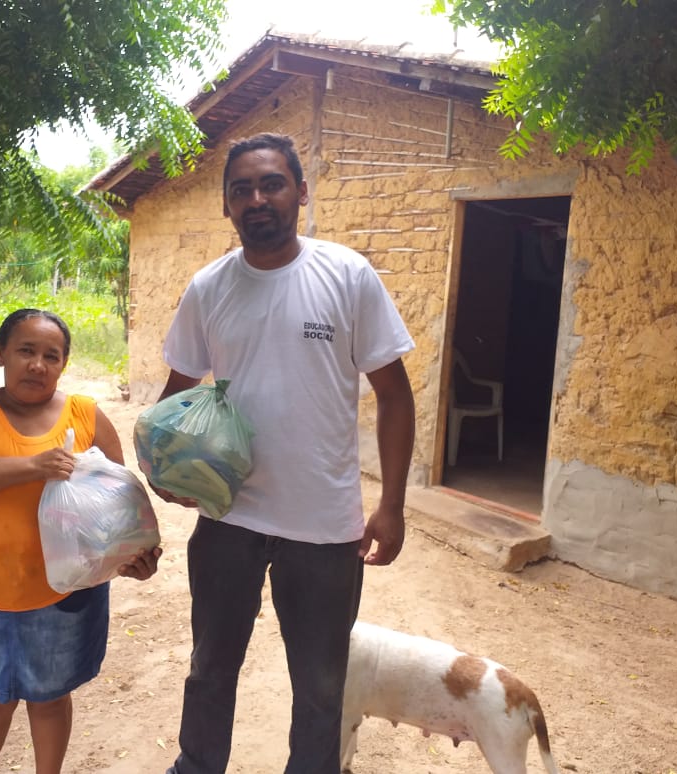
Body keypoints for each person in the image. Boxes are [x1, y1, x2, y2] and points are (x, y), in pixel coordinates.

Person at [154, 133, 416, 774]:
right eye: (240, 190)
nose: (256, 199)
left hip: (323, 527)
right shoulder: (209, 287)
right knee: (210, 670)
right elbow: (175, 394)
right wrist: (162, 468)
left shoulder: (347, 276)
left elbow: (394, 396)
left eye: (271, 184)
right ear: (226, 205)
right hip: (227, 517)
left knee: (321, 687)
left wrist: (392, 505)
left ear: (300, 191)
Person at [0, 308, 162, 774]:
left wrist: (136, 559)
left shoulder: (85, 416)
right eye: (25, 351)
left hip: (65, 593)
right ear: (0, 353)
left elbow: (121, 509)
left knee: (50, 701)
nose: (37, 364)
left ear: (64, 364)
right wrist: (33, 466)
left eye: (51, 356)